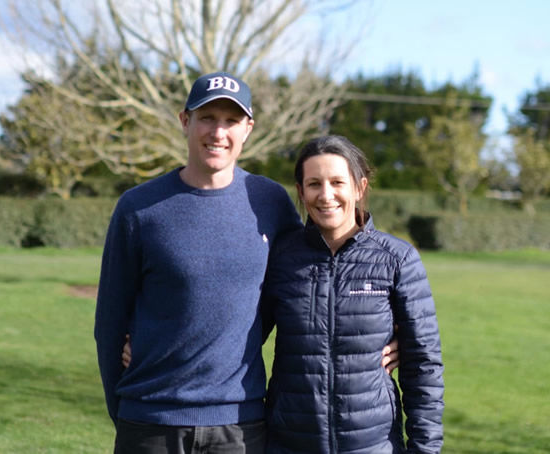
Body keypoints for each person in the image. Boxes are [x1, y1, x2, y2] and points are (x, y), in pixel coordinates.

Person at [96, 71, 398, 454]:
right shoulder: (138, 208)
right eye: (207, 117)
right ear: (185, 121)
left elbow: (315, 277)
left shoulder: (269, 202)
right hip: (151, 421)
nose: (218, 132)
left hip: (240, 426)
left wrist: (390, 327)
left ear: (248, 128)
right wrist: (122, 410)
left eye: (231, 121)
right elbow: (109, 322)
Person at [261, 135, 444, 453]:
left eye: (337, 182)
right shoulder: (280, 258)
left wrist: (424, 448)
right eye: (314, 184)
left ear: (359, 187)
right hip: (289, 444)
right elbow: (242, 341)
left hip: (373, 445)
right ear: (301, 193)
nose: (326, 195)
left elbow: (423, 366)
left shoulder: (397, 259)